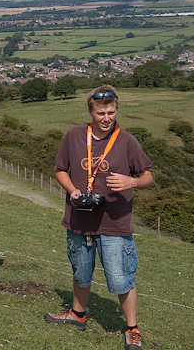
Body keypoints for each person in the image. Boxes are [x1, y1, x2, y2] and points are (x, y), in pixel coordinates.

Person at [44, 85, 153, 350]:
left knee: (120, 278)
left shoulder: (126, 140)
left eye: (112, 112)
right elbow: (60, 169)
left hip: (115, 223)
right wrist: (72, 191)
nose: (107, 118)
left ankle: (132, 329)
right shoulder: (74, 136)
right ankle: (77, 314)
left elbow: (149, 177)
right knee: (81, 273)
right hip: (80, 220)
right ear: (91, 112)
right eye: (101, 113)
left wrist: (132, 182)